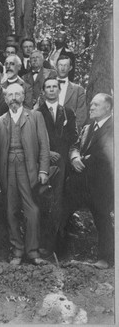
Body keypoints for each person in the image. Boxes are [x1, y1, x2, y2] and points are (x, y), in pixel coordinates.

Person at [0, 83, 50, 265]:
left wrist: (43, 170)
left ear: (24, 97)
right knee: (10, 210)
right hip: (7, 168)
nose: (14, 98)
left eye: (18, 94)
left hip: (28, 167)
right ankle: (17, 250)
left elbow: (44, 145)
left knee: (32, 209)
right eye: (10, 95)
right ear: (6, 99)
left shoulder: (35, 116)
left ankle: (33, 251)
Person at [67, 93, 113, 269]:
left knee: (103, 218)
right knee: (62, 211)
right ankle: (56, 252)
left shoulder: (114, 126)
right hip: (81, 183)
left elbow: (105, 154)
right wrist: (74, 157)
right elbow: (75, 145)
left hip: (103, 183)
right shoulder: (88, 127)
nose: (91, 107)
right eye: (91, 104)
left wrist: (82, 160)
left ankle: (106, 259)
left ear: (107, 107)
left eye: (95, 105)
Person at [36, 77, 78, 256]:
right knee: (44, 200)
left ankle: (58, 248)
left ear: (59, 91)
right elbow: (32, 139)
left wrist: (68, 155)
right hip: (43, 164)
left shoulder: (68, 112)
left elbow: (74, 138)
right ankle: (42, 245)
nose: (52, 90)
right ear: (43, 91)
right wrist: (46, 153)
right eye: (48, 87)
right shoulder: (36, 112)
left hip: (62, 164)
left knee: (59, 202)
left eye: (55, 87)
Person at [55, 55, 87, 131]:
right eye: (60, 65)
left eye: (65, 65)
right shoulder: (47, 86)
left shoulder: (78, 90)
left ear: (70, 68)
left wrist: (70, 130)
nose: (62, 68)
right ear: (56, 67)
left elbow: (81, 115)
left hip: (70, 134)